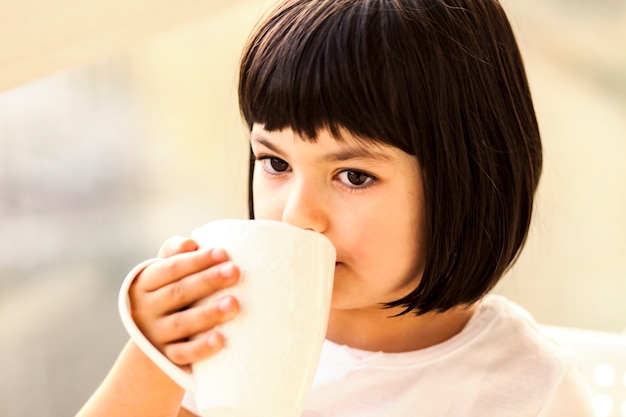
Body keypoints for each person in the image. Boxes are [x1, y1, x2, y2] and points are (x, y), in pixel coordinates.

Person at [77, 0, 596, 416]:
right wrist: (154, 357)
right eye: (276, 163)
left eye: (353, 176)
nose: (297, 216)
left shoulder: (527, 388)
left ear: (466, 179)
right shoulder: (231, 327)